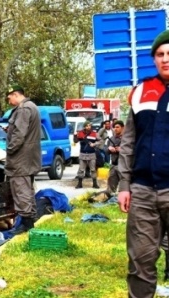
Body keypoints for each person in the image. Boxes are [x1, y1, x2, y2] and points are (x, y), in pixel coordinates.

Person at [118, 30, 169, 297]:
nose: (165, 59)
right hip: (142, 192)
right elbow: (128, 143)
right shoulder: (140, 92)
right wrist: (124, 184)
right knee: (140, 262)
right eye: (160, 54)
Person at [4, 85, 42, 235]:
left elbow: (20, 134)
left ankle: (26, 225)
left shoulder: (23, 109)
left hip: (21, 158)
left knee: (21, 190)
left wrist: (10, 148)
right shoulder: (32, 107)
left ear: (15, 95)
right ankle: (29, 222)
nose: (9, 100)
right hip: (29, 157)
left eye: (9, 97)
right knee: (27, 189)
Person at [75, 121, 100, 189]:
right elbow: (75, 141)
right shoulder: (80, 133)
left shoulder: (94, 133)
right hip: (83, 154)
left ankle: (95, 184)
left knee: (93, 169)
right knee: (81, 170)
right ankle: (79, 184)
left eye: (89, 126)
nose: (88, 127)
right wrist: (75, 135)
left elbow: (100, 141)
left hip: (91, 154)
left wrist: (94, 144)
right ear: (84, 126)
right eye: (87, 126)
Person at [105, 120, 124, 196]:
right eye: (114, 127)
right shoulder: (112, 138)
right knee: (111, 184)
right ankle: (110, 199)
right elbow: (105, 149)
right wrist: (109, 149)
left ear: (123, 128)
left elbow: (132, 150)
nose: (115, 129)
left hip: (123, 165)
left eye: (117, 127)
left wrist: (121, 150)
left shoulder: (127, 139)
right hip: (113, 165)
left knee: (124, 185)